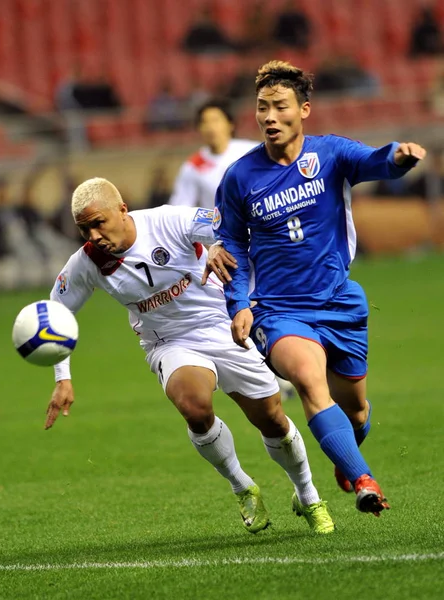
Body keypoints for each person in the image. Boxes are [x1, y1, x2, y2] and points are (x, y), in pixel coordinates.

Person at [45, 177, 335, 535]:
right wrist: (63, 377)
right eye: (83, 229)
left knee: (272, 418)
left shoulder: (166, 221)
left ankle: (307, 495)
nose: (92, 236)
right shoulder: (87, 262)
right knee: (194, 405)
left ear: (122, 210)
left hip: (221, 323)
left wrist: (216, 246)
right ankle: (242, 486)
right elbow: (56, 313)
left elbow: (224, 225)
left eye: (98, 223)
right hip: (168, 341)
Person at [202, 60, 427, 517]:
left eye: (279, 106)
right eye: (262, 107)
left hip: (339, 302)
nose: (269, 116)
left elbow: (372, 161)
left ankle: (346, 459)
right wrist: (239, 304)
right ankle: (364, 481)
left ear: (304, 109)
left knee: (358, 413)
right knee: (307, 379)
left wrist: (397, 158)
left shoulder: (330, 154)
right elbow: (232, 249)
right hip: (279, 312)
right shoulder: (240, 178)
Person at [169, 98, 296, 400]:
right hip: (224, 251)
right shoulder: (194, 167)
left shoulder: (249, 152)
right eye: (204, 122)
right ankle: (272, 375)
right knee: (239, 310)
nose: (210, 127)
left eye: (216, 120)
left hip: (263, 241)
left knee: (269, 304)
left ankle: (285, 366)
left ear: (229, 124)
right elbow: (178, 211)